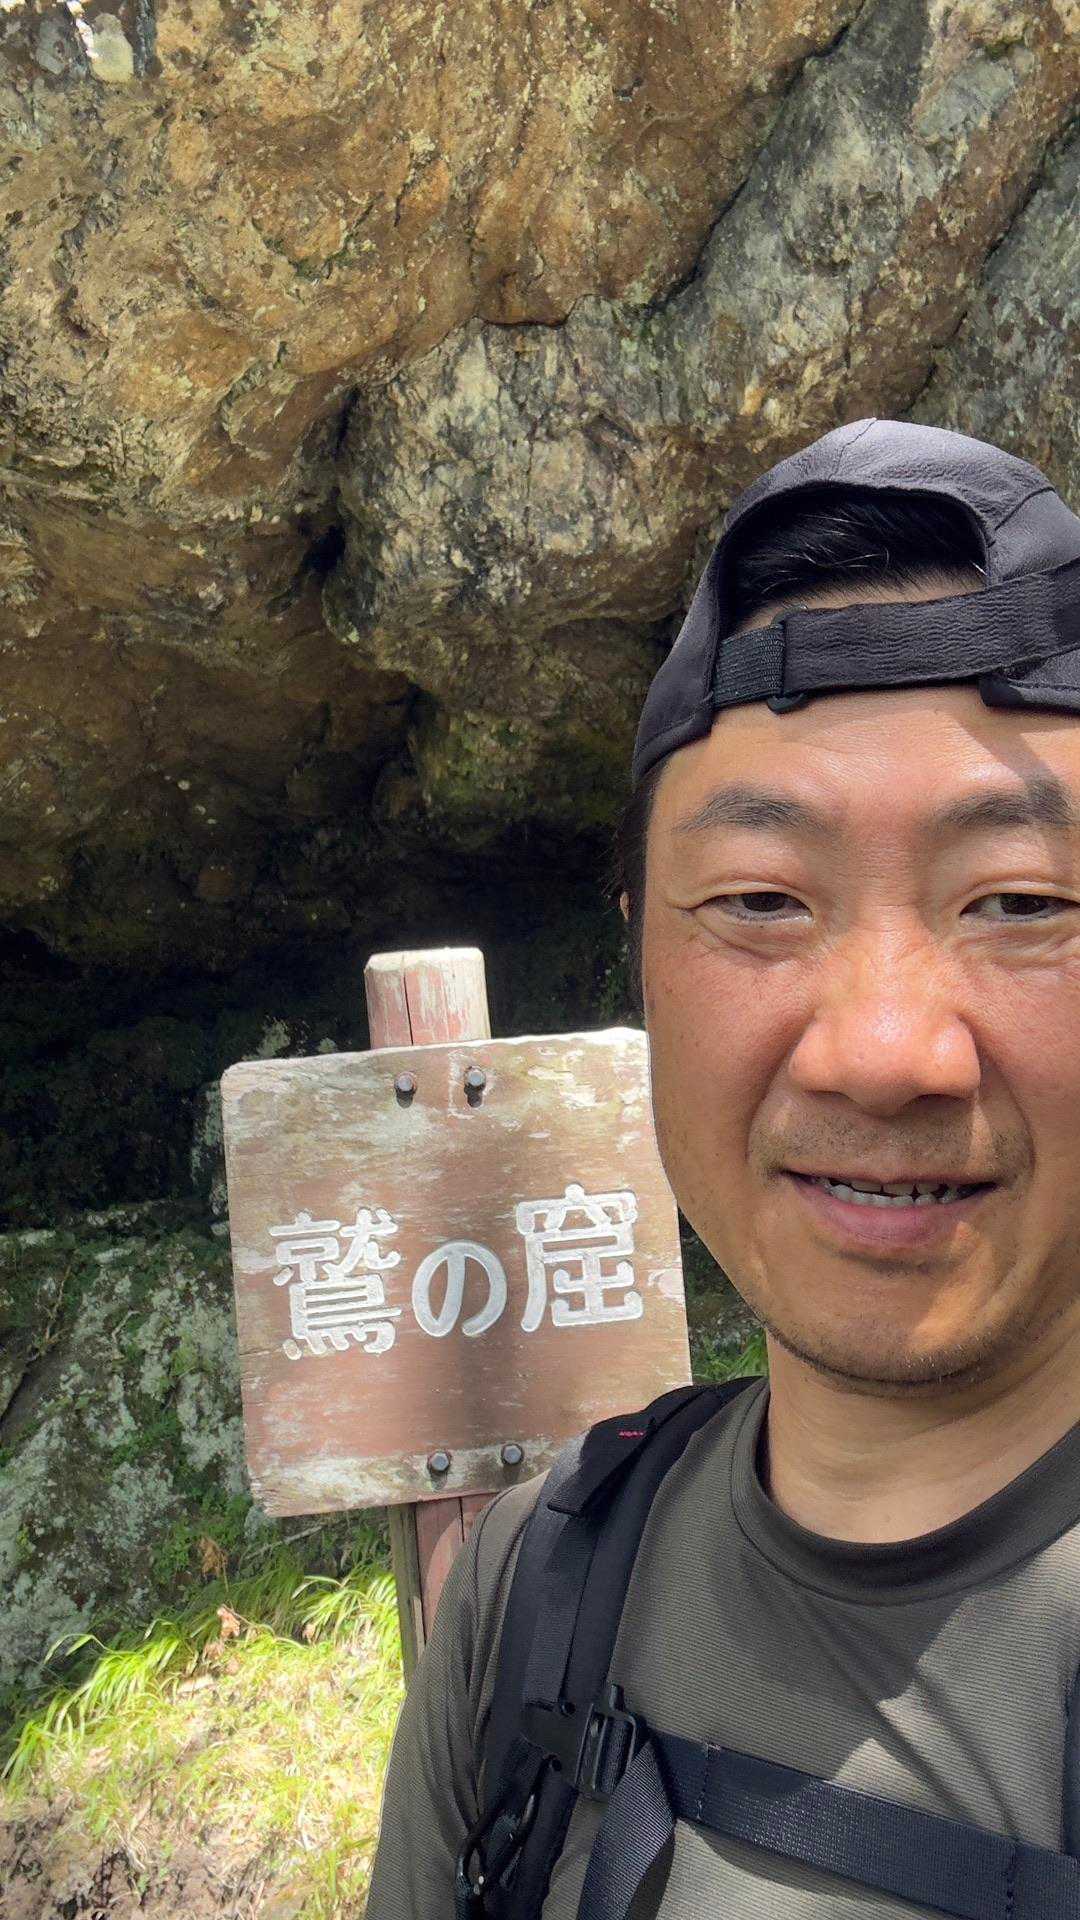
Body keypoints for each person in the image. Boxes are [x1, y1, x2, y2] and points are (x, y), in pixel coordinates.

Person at [365, 418, 1080, 1918]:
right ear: (641, 954)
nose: (882, 1051)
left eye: (1019, 901)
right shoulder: (531, 1593)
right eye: (760, 900)